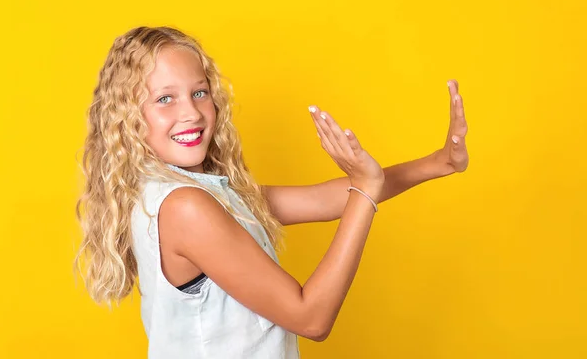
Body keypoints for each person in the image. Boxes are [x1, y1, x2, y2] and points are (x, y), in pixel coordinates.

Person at [75, 26, 469, 359]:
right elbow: (311, 317)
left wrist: (437, 163)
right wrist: (365, 191)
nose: (191, 113)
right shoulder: (185, 208)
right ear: (127, 117)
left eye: (199, 92)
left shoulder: (194, 193)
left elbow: (326, 199)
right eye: (165, 99)